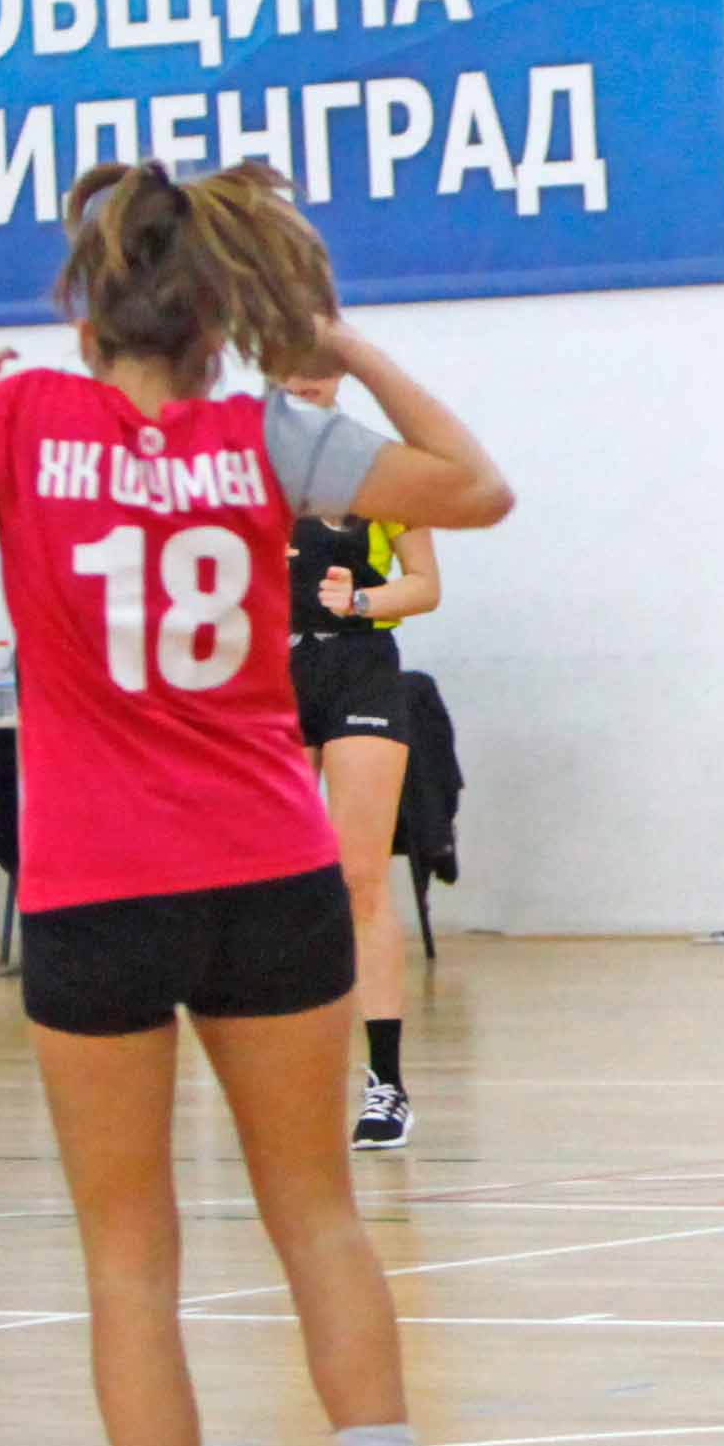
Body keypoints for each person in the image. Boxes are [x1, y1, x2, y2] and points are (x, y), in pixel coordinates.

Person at [0, 160, 515, 1446]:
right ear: (223, 314)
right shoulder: (266, 434)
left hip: (98, 888)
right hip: (271, 870)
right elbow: (476, 488)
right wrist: (344, 349)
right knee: (321, 1220)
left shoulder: (23, 425)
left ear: (90, 312)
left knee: (131, 1259)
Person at [285, 443, 440, 1147]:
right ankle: (284, 1076)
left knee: (360, 876)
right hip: (273, 671)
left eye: (318, 385)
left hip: (360, 671)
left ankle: (385, 1084)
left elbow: (425, 585)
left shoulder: (379, 472)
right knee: (274, 881)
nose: (306, 390)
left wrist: (361, 601)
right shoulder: (240, 467)